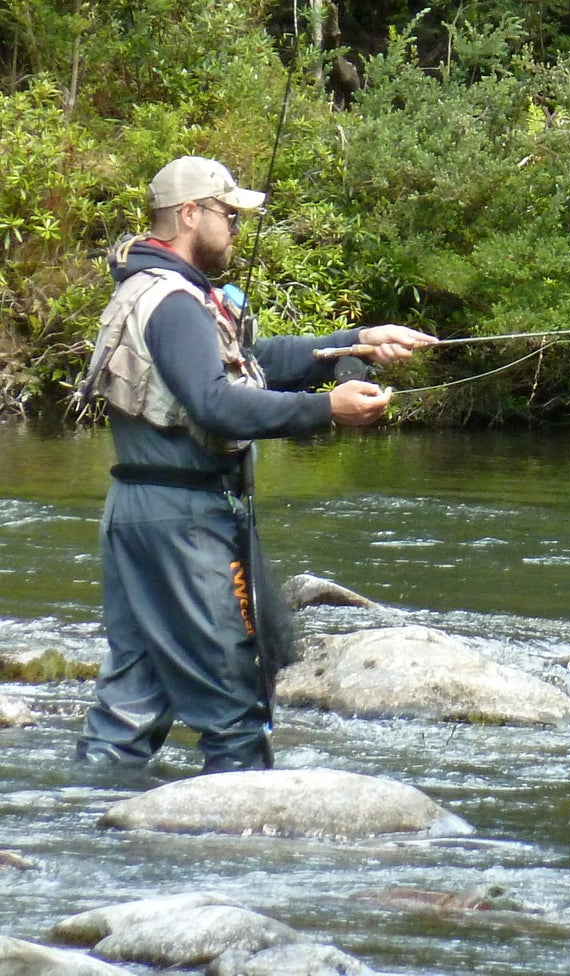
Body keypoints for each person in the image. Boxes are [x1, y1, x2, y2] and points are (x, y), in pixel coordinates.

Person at [74, 155, 436, 773]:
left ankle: (90, 821)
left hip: (139, 514)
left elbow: (251, 357)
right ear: (189, 215)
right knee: (234, 701)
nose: (236, 229)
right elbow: (216, 404)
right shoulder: (176, 302)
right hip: (184, 522)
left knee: (132, 700)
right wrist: (328, 411)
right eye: (227, 214)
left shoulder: (152, 290)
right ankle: (246, 850)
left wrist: (359, 343)